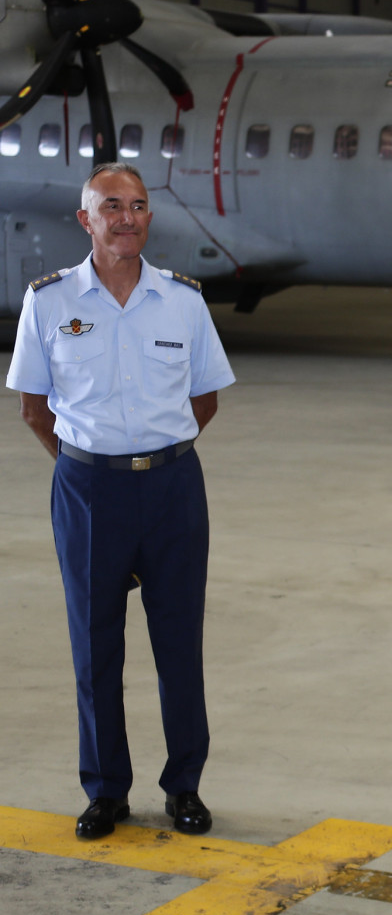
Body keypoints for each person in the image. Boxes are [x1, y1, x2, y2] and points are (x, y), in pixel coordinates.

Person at [5, 162, 235, 840]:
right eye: (112, 205)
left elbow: (206, 398)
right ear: (86, 219)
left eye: (138, 205)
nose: (127, 217)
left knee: (178, 644)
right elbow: (33, 409)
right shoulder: (49, 302)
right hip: (87, 489)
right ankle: (106, 789)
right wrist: (90, 466)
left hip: (171, 488)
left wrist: (154, 455)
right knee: (94, 645)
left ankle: (184, 786)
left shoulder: (183, 301)